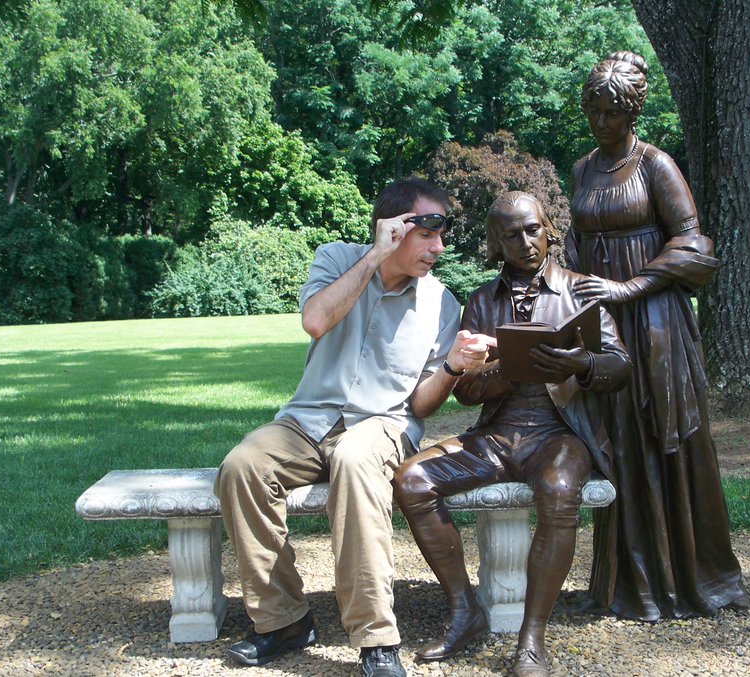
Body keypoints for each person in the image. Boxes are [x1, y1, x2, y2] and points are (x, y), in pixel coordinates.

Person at [214, 178, 493, 677]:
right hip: (309, 418)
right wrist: (372, 259)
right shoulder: (337, 258)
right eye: (428, 231)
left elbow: (422, 406)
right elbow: (316, 320)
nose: (439, 246)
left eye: (443, 233)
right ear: (391, 227)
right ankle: (282, 621)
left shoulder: (441, 304)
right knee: (242, 467)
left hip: (383, 424)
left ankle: (376, 640)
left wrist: (452, 366)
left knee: (354, 458)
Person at [392, 191, 631, 677]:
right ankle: (465, 610)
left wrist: (581, 363)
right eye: (510, 235)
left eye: (531, 229)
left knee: (559, 489)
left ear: (549, 230)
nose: (525, 242)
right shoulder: (481, 301)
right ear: (495, 245)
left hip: (559, 434)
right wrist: (507, 369)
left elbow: (620, 365)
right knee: (411, 480)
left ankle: (531, 639)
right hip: (497, 436)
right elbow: (468, 393)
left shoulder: (580, 290)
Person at [568, 52, 750, 621]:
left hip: (655, 324)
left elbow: (694, 245)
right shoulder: (581, 169)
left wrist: (628, 287)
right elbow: (574, 241)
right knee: (617, 440)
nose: (601, 123)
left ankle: (696, 579)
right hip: (601, 323)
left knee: (665, 438)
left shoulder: (655, 165)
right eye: (593, 111)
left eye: (611, 113)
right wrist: (570, 281)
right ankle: (626, 583)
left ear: (632, 112)